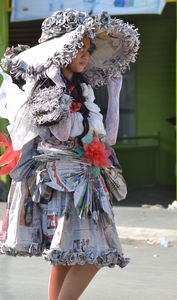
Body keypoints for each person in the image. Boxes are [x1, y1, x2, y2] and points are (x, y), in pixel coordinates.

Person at [0, 9, 139, 300]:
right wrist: (59, 85)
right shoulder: (48, 87)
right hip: (62, 181)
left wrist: (115, 93)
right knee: (89, 255)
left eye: (88, 49)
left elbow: (108, 138)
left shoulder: (83, 89)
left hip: (87, 179)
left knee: (68, 256)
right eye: (79, 47)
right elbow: (63, 133)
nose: (85, 55)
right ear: (62, 48)